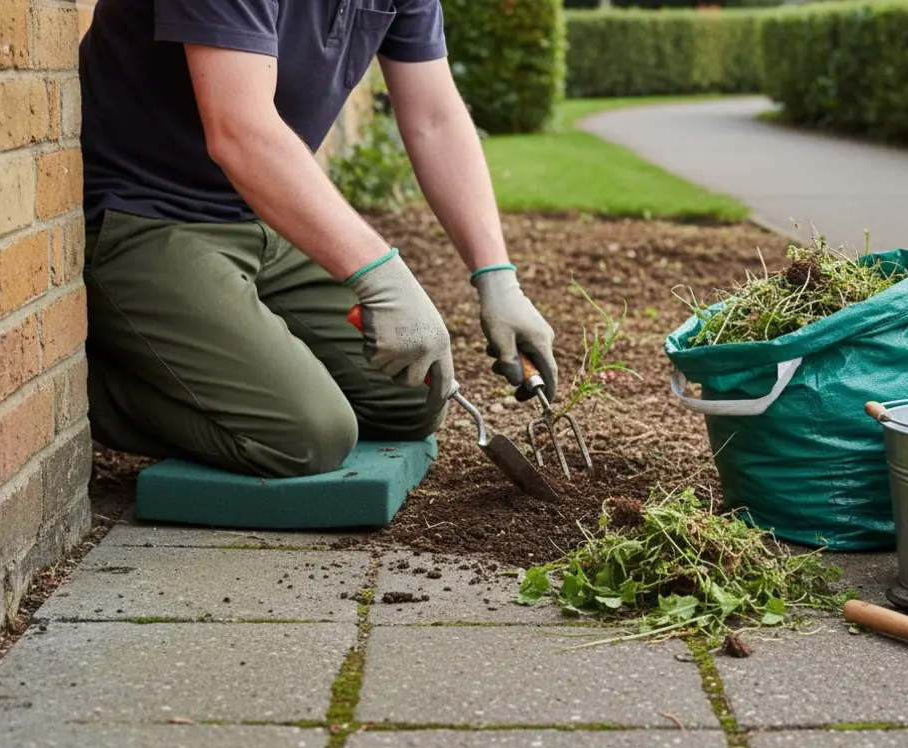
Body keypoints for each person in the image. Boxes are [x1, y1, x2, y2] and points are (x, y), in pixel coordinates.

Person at [77, 0, 559, 478]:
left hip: (260, 216)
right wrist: (384, 278)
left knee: (411, 396)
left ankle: (186, 357)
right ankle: (80, 390)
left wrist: (497, 278)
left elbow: (434, 117)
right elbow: (239, 132)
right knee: (308, 437)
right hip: (143, 216)